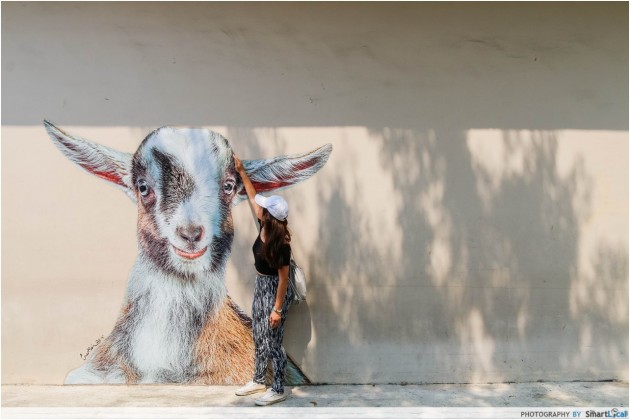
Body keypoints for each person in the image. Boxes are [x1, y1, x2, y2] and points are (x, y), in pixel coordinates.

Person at [233, 154, 293, 406]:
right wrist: (241, 171)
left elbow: (283, 280)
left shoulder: (282, 244)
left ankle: (278, 388)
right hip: (261, 286)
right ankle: (258, 380)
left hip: (275, 290)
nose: (260, 208)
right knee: (259, 334)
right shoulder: (264, 226)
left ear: (268, 215)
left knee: (273, 341)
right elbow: (252, 195)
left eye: (264, 208)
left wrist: (277, 310)